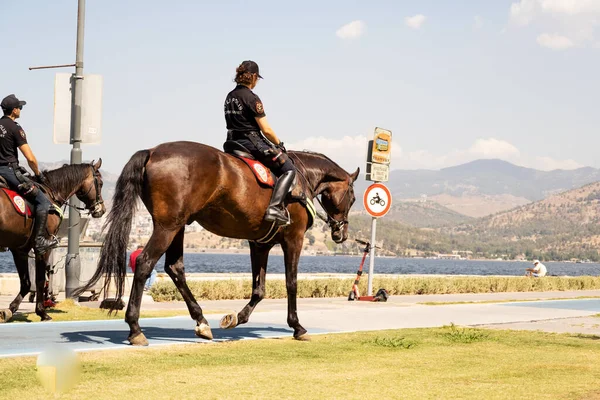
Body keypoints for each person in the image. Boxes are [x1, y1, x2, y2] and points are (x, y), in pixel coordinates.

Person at [224, 60, 296, 226]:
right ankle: (275, 208)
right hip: (251, 142)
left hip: (232, 141)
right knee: (289, 169)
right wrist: (279, 144)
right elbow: (266, 130)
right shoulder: (251, 98)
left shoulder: (230, 97)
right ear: (254, 77)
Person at [0, 94, 58, 254]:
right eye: (20, 107)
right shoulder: (15, 128)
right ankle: (39, 240)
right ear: (14, 110)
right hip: (10, 171)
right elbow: (30, 158)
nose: (21, 110)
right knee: (43, 201)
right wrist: (38, 174)